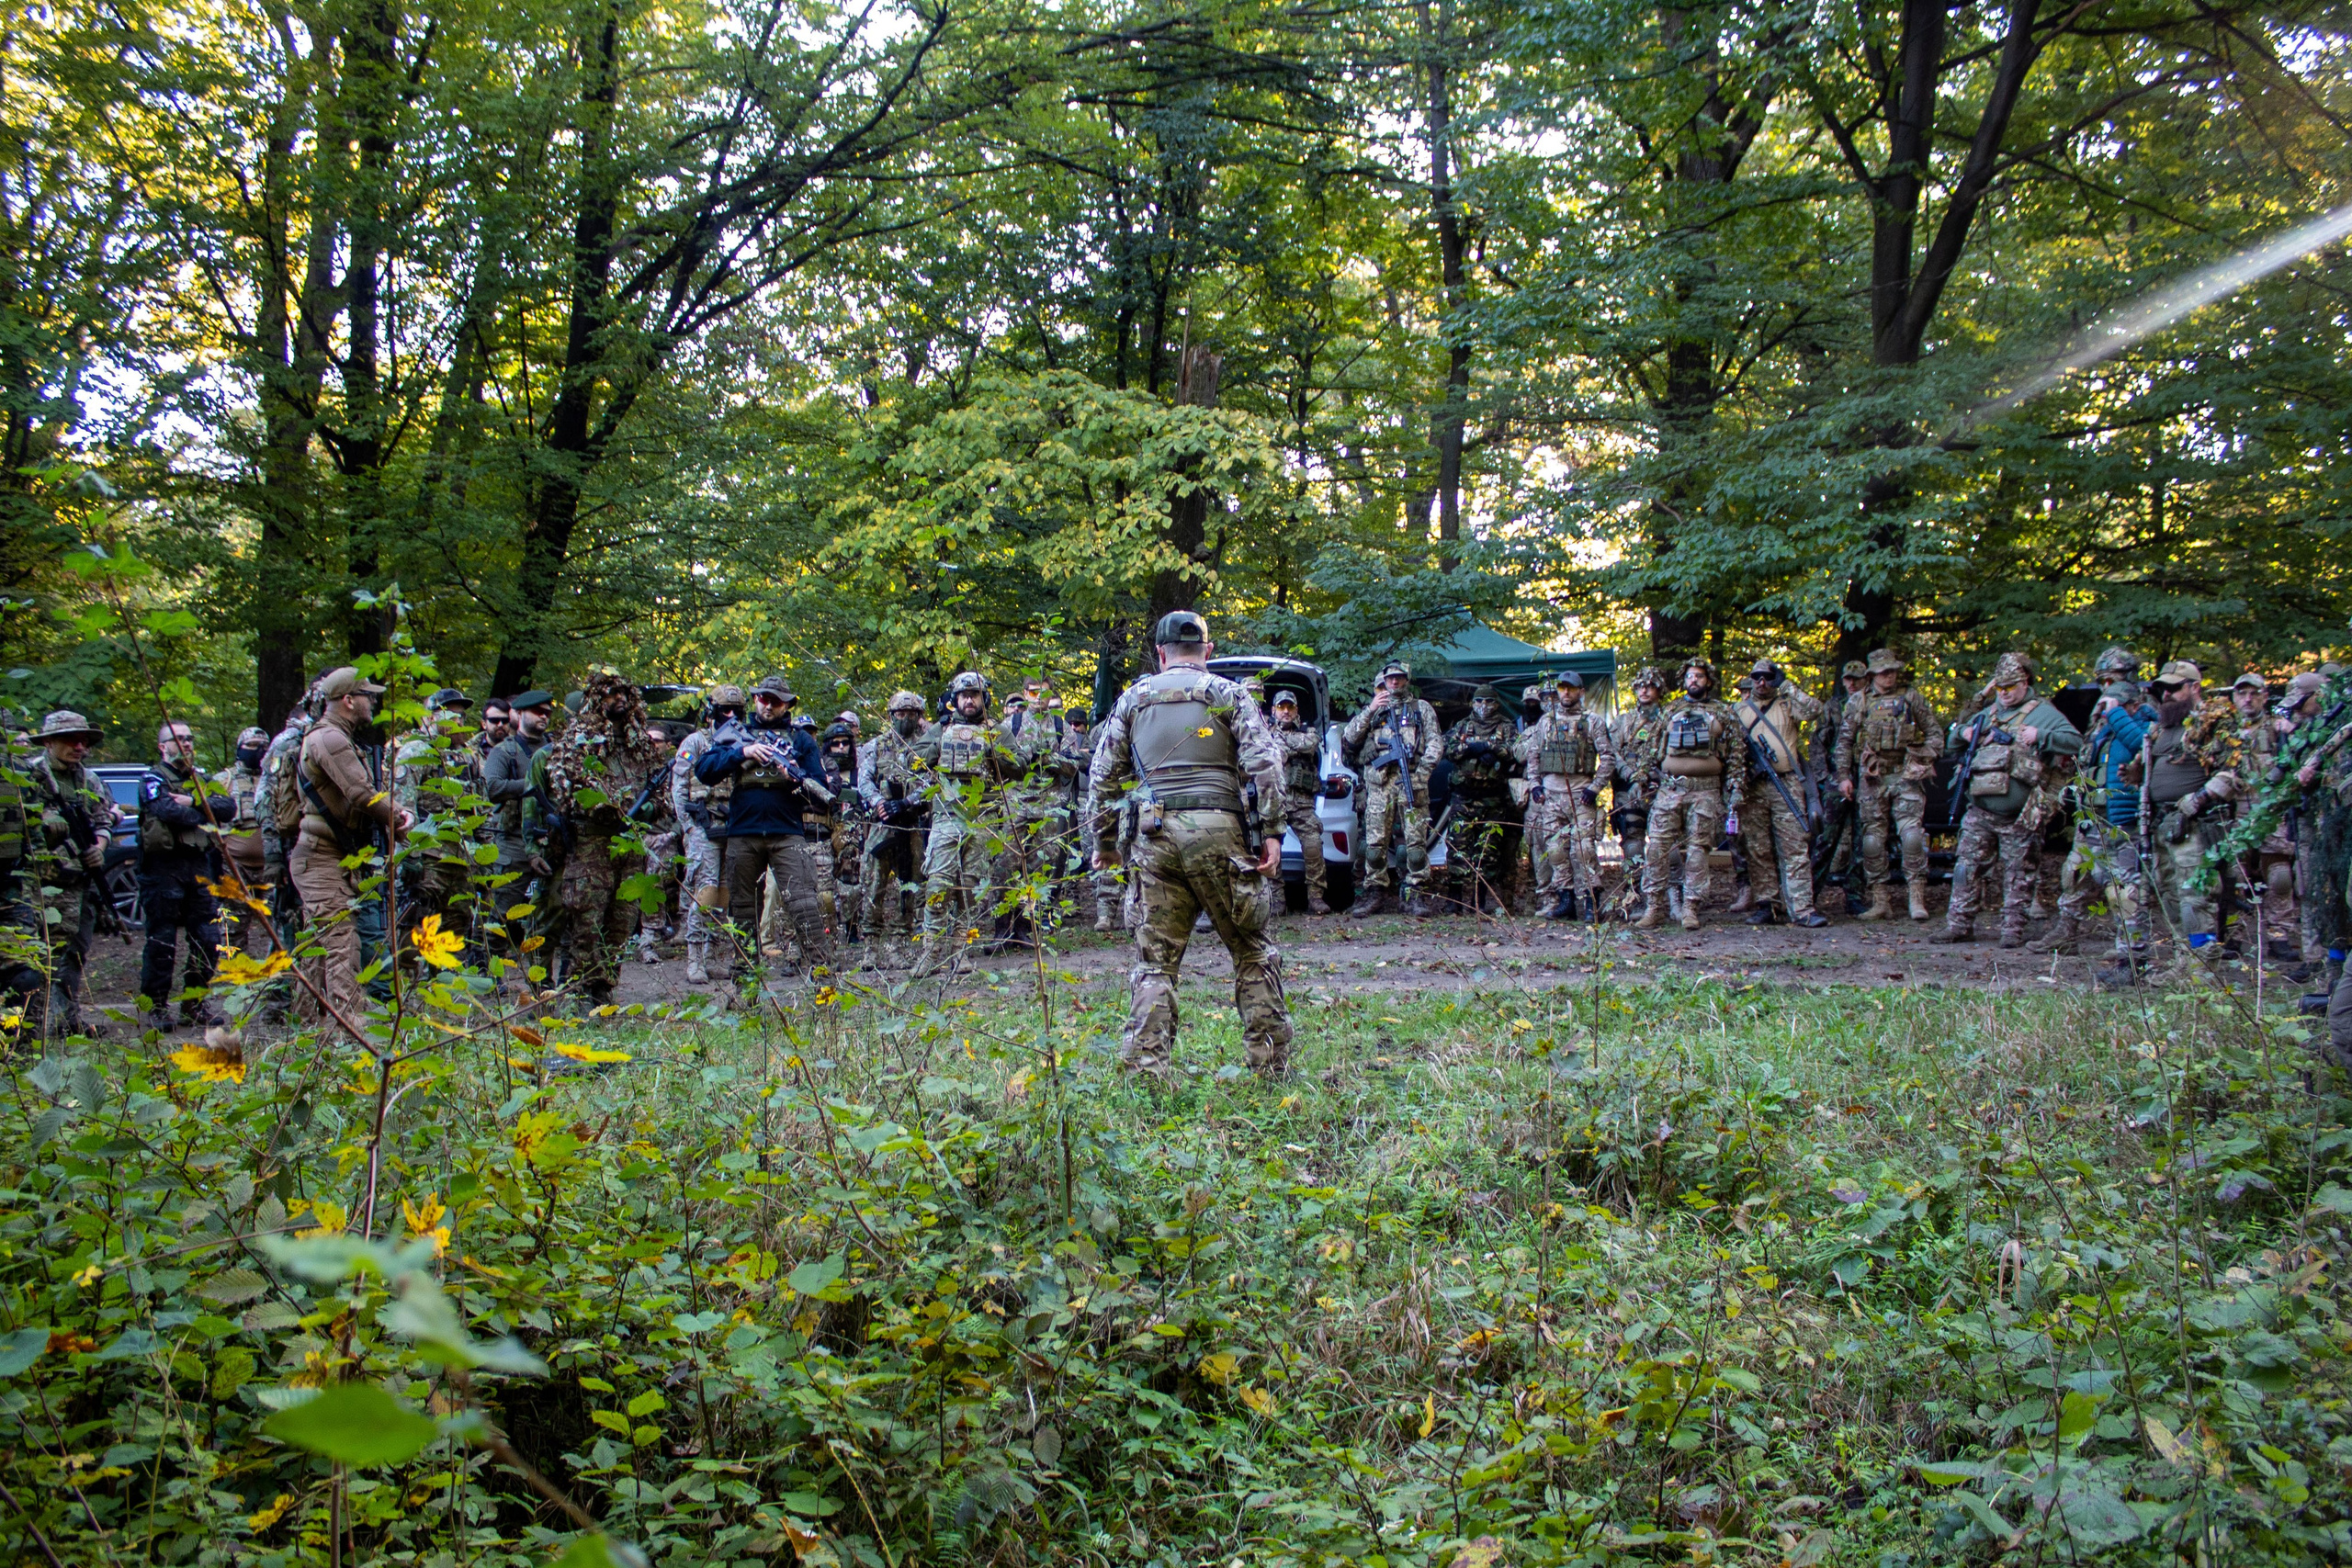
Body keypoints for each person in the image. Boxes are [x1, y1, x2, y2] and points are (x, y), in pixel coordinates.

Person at [1089, 610, 1291, 1079]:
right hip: (1221, 833)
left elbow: (1102, 779)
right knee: (1252, 951)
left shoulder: (1132, 700)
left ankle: (1146, 1073)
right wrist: (1274, 833)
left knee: (1154, 963)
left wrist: (1105, 842)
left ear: (1159, 654)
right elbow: (1267, 767)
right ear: (1208, 652)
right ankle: (1270, 1068)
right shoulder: (1229, 694)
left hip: (1154, 838)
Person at [1932, 653, 2083, 949]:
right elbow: (1952, 743)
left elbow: (2076, 742)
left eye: (2010, 686)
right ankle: (1959, 925)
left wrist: (2042, 735)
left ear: (2025, 682)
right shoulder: (1988, 714)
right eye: (1999, 687)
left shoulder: (2043, 712)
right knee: (1967, 868)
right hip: (1980, 810)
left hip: (2020, 814)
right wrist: (1964, 731)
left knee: (2019, 874)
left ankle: (2012, 929)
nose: (2004, 693)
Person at [540, 671, 672, 1006]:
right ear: (598, 700)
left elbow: (664, 795)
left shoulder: (639, 742)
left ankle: (603, 989)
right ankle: (578, 992)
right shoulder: (579, 740)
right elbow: (566, 786)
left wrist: (647, 810)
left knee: (622, 921)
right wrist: (609, 805)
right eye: (612, 694)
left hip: (630, 848)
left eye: (625, 694)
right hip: (592, 846)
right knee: (586, 920)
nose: (620, 700)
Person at [697, 674, 834, 987]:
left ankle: (824, 984)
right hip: (743, 833)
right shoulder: (735, 734)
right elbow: (704, 770)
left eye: (776, 700)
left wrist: (794, 779)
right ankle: (745, 988)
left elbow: (822, 791)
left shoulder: (801, 740)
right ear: (755, 699)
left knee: (805, 905)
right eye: (763, 698)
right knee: (743, 912)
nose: (768, 705)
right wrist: (742, 754)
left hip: (787, 832)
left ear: (788, 704)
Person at [295, 667, 412, 1034]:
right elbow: (361, 794)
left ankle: (309, 1028)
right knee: (341, 943)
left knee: (318, 946)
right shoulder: (329, 739)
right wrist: (398, 819)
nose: (373, 702)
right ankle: (350, 1032)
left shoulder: (333, 738)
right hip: (320, 856)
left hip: (330, 856)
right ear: (348, 700)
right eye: (368, 696)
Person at [2043, 651, 2156, 972]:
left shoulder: (2145, 714)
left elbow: (2143, 746)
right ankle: (2071, 934)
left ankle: (2132, 958)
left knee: (2124, 890)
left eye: (2113, 679)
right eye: (2102, 681)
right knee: (2077, 874)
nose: (2106, 688)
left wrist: (2119, 714)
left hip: (2123, 818)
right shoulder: (2101, 723)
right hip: (2093, 818)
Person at [2135, 660, 2242, 976]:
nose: (2166, 694)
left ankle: (2201, 969)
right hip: (2161, 825)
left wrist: (2197, 801)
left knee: (2195, 899)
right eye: (2161, 689)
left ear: (2194, 687)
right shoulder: (2160, 728)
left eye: (2174, 687)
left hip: (2195, 825)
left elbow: (2233, 771)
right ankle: (2184, 964)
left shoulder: (2214, 721)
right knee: (2169, 895)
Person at [910, 671, 1021, 975]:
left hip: (983, 818)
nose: (969, 700)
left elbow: (1022, 765)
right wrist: (944, 746)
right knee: (938, 882)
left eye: (974, 694)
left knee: (969, 887)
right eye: (963, 695)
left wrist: (993, 751)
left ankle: (962, 951)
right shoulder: (941, 728)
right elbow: (914, 759)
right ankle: (931, 952)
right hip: (947, 815)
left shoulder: (997, 730)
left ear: (984, 698)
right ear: (955, 700)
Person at [21, 711, 118, 1037]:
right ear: (48, 742)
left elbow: (105, 821)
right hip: (37, 885)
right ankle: (29, 1025)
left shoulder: (90, 781)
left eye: (84, 741)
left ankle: (66, 1022)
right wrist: (43, 822)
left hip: (80, 882)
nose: (79, 747)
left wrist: (100, 847)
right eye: (70, 740)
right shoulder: (28, 777)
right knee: (35, 958)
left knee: (73, 955)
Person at [1835, 649, 1942, 923]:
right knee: (1872, 841)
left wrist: (1921, 756)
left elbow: (1935, 733)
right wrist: (1844, 777)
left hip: (1906, 776)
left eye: (1892, 670)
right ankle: (1881, 900)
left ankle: (1916, 896)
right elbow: (1845, 742)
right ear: (1872, 675)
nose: (1890, 675)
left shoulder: (1911, 697)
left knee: (1912, 837)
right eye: (1884, 672)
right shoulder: (1859, 702)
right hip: (1873, 778)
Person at [1635, 659, 1743, 931]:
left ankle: (1690, 907)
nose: (1693, 680)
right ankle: (1654, 907)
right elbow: (1651, 746)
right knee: (1657, 847)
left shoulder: (1723, 713)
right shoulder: (1671, 710)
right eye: (1690, 676)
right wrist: (1642, 775)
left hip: (1705, 790)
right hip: (1670, 789)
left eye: (1699, 676)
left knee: (1697, 851)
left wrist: (1735, 787)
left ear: (1709, 680)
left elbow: (1737, 755)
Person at [137, 719, 227, 1031]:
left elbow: (227, 807)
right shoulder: (152, 779)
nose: (187, 743)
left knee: (208, 938)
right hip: (163, 870)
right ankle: (156, 1007)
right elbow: (166, 812)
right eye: (178, 739)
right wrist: (204, 812)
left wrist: (193, 801)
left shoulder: (200, 779)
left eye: (190, 738)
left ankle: (194, 1004)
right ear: (163, 747)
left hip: (198, 867)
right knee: (162, 942)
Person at [1730, 660, 1829, 928]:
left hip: (1786, 783)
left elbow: (1815, 710)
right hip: (1753, 788)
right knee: (1757, 848)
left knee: (1795, 846)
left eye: (1768, 677)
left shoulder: (1788, 705)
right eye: (1757, 677)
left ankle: (1803, 909)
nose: (1762, 682)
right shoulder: (1737, 711)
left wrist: (1785, 684)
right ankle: (1767, 905)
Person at [1342, 662, 1442, 916]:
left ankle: (1414, 895)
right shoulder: (1374, 711)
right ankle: (1374, 893)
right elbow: (1350, 738)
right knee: (1374, 846)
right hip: (1380, 786)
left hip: (1411, 783)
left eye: (1399, 678)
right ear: (1384, 682)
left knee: (1415, 846)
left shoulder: (1422, 709)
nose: (1394, 683)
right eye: (1390, 679)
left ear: (1407, 679)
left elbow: (1435, 744)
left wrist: (1422, 774)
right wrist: (1371, 709)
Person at [1514, 672, 1614, 920]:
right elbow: (1534, 756)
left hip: (1581, 795)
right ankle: (1566, 901)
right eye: (1562, 688)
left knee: (1583, 851)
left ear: (1581, 692)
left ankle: (1591, 903)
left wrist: (1595, 788)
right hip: (1551, 797)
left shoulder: (1593, 722)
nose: (1566, 693)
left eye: (1571, 689)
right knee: (1556, 850)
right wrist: (1536, 785)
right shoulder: (1546, 722)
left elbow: (1608, 759)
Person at [670, 684, 745, 984]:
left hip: (733, 827)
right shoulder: (696, 742)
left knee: (724, 894)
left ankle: (713, 955)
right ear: (711, 711)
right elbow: (678, 788)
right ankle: (695, 959)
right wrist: (688, 827)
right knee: (706, 891)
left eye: (736, 711)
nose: (730, 716)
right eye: (724, 710)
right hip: (703, 826)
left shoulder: (742, 742)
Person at [394, 689, 478, 947]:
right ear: (429, 718)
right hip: (428, 862)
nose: (457, 720)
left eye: (461, 715)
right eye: (448, 713)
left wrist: (482, 856)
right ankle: (412, 986)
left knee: (455, 933)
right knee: (415, 934)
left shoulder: (468, 756)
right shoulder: (415, 752)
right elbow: (401, 809)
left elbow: (480, 809)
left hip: (462, 861)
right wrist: (410, 857)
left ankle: (450, 984)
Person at [857, 690, 931, 967]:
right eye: (901, 714)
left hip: (911, 824)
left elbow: (930, 781)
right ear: (891, 716)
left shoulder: (925, 747)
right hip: (882, 825)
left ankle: (901, 944)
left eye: (912, 715)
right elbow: (864, 780)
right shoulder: (876, 745)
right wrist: (879, 803)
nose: (906, 719)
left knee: (910, 885)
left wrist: (908, 802)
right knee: (874, 883)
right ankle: (871, 948)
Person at [483, 690, 557, 964]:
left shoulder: (555, 750)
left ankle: (542, 968)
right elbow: (493, 787)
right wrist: (532, 785)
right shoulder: (505, 751)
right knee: (504, 909)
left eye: (547, 712)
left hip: (549, 838)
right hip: (513, 840)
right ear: (520, 714)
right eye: (537, 711)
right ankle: (489, 967)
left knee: (552, 907)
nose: (543, 716)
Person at [1605, 667, 1670, 916]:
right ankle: (1635, 895)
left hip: (1660, 789)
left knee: (1667, 843)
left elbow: (1672, 753)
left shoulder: (1667, 720)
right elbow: (1612, 753)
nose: (1644, 690)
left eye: (1650, 685)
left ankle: (1671, 897)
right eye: (1640, 685)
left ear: (1658, 690)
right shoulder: (1624, 721)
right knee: (1632, 842)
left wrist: (1654, 777)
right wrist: (1630, 776)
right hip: (1627, 790)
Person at [1269, 690, 1329, 914]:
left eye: (1290, 708)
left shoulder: (1308, 731)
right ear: (1273, 710)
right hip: (1275, 801)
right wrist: (1286, 745)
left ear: (1296, 711)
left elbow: (1308, 745)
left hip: (1302, 803)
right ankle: (1277, 902)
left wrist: (1282, 742)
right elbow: (1267, 753)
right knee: (1271, 850)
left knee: (1313, 846)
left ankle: (1316, 898)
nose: (1286, 712)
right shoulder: (1264, 731)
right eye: (1281, 707)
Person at [215, 725, 272, 956]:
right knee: (233, 924)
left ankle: (279, 978)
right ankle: (237, 976)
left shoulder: (274, 780)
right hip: (234, 867)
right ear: (240, 749)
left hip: (271, 867)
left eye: (263, 747)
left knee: (279, 923)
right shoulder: (223, 780)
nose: (257, 751)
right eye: (251, 746)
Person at [820, 720, 865, 942]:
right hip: (823, 833)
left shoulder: (860, 772)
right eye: (835, 744)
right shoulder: (819, 770)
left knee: (851, 888)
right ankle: (827, 931)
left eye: (844, 743)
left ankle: (852, 928)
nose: (840, 748)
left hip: (852, 838)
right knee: (824, 889)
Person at [1517, 683, 1556, 908]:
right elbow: (1520, 754)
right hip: (1537, 792)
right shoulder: (1530, 730)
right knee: (1538, 844)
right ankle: (1545, 897)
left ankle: (1573, 898)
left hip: (1564, 791)